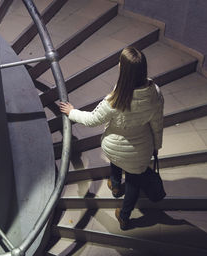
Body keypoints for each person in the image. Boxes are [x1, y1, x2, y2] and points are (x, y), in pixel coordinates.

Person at [59, 46, 164, 230]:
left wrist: (72, 112)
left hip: (114, 146)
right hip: (140, 150)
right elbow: (157, 124)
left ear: (123, 70)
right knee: (133, 182)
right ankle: (124, 217)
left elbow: (92, 120)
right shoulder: (155, 94)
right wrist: (157, 145)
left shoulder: (114, 100)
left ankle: (115, 186)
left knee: (116, 157)